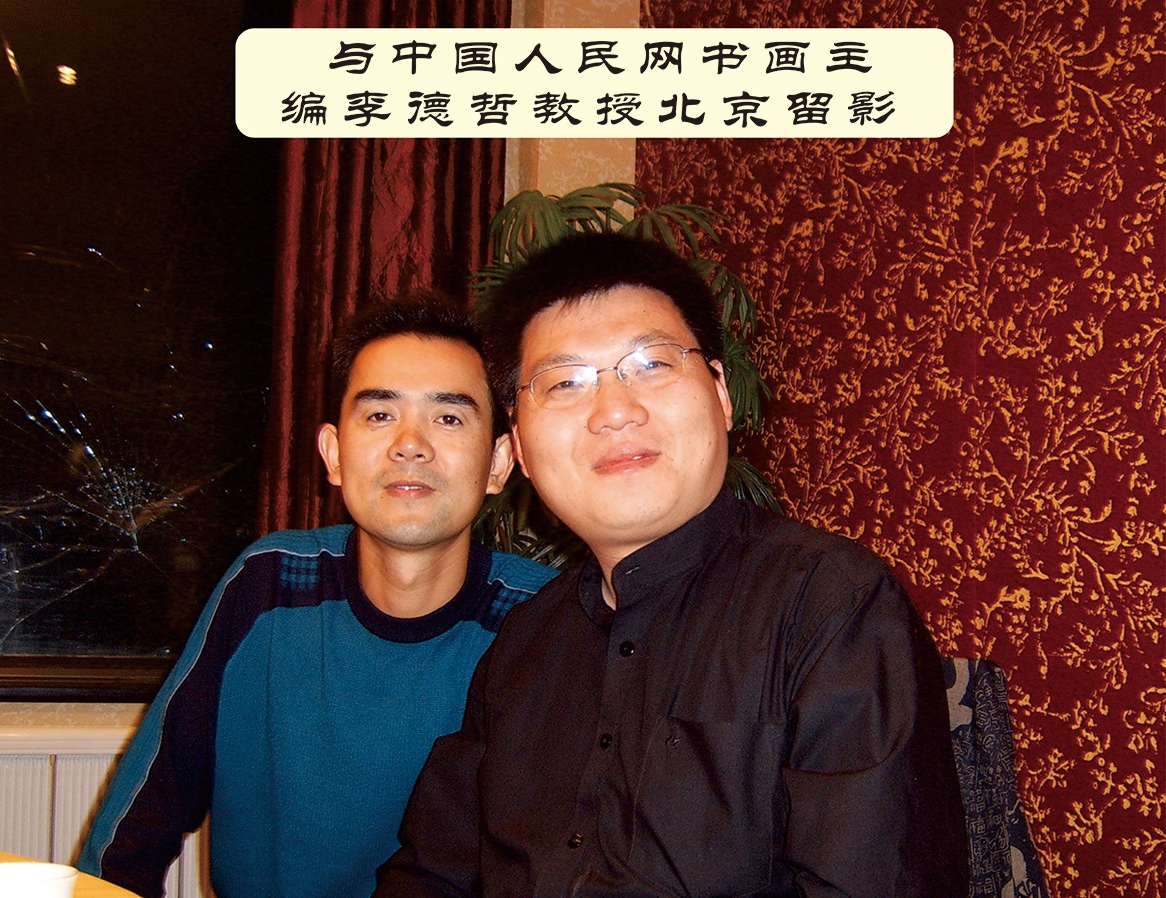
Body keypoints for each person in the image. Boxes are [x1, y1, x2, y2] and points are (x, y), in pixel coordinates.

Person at [374, 234, 970, 897]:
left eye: (652, 364)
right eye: (564, 382)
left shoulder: (833, 608)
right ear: (519, 447)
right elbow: (432, 872)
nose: (614, 411)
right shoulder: (524, 642)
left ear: (721, 394)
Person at [79, 294, 556, 898]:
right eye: (379, 415)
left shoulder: (543, 621)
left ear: (499, 462)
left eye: (449, 418)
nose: (410, 444)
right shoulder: (268, 583)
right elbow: (140, 819)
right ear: (333, 454)